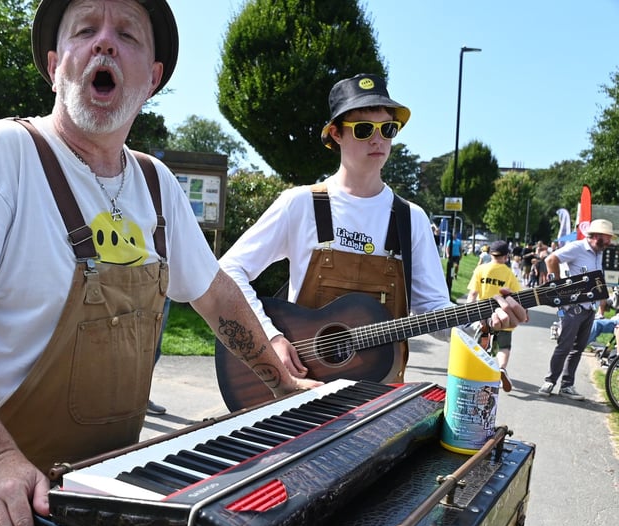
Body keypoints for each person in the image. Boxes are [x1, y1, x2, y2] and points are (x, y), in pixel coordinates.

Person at [0, 2, 320, 526]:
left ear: (152, 78)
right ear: (57, 64)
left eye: (127, 34)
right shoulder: (4, 157)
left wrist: (286, 390)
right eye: (86, 30)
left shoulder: (156, 186)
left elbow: (216, 294)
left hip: (95, 498)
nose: (104, 43)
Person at [219, 73, 528, 388]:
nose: (378, 139)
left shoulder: (412, 219)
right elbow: (228, 270)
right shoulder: (301, 204)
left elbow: (434, 312)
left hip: (381, 396)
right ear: (336, 133)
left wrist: (484, 320)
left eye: (387, 128)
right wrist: (270, 339)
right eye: (364, 129)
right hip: (302, 386)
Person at [539, 219, 617, 400]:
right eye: (607, 238)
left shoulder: (597, 253)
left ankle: (567, 385)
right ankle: (550, 381)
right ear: (597, 236)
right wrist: (558, 286)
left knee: (578, 348)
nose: (609, 242)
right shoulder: (577, 247)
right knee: (564, 346)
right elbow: (551, 259)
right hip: (574, 307)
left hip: (589, 308)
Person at [466, 240, 522, 392]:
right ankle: (502, 368)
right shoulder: (509, 274)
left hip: (483, 316)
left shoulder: (481, 269)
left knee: (480, 346)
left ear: (491, 254)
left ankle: (478, 374)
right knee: (504, 346)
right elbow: (517, 296)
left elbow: (472, 294)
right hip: (503, 316)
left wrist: (468, 314)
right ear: (506, 256)